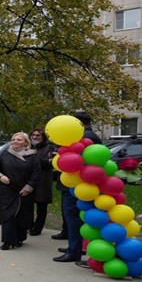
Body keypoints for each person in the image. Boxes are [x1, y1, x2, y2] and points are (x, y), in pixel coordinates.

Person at [54, 111, 102, 263]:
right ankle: (74, 246)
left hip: (77, 185)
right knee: (76, 217)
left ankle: (74, 250)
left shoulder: (83, 137)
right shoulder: (92, 136)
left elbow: (76, 162)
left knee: (73, 216)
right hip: (82, 184)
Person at [0, 132, 41, 250]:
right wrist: (0, 176)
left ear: (26, 143)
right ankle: (7, 240)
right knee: (7, 214)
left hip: (24, 191)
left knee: (22, 215)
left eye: (18, 140)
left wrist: (28, 188)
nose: (15, 141)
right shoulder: (5, 155)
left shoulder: (33, 156)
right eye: (13, 139)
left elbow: (36, 174)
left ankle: (19, 238)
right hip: (7, 190)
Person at [28, 128, 55, 236]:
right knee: (28, 205)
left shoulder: (49, 147)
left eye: (38, 135)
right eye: (33, 135)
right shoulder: (28, 146)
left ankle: (37, 228)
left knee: (41, 205)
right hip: (29, 179)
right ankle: (28, 225)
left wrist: (33, 156)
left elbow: (48, 163)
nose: (34, 137)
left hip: (43, 180)